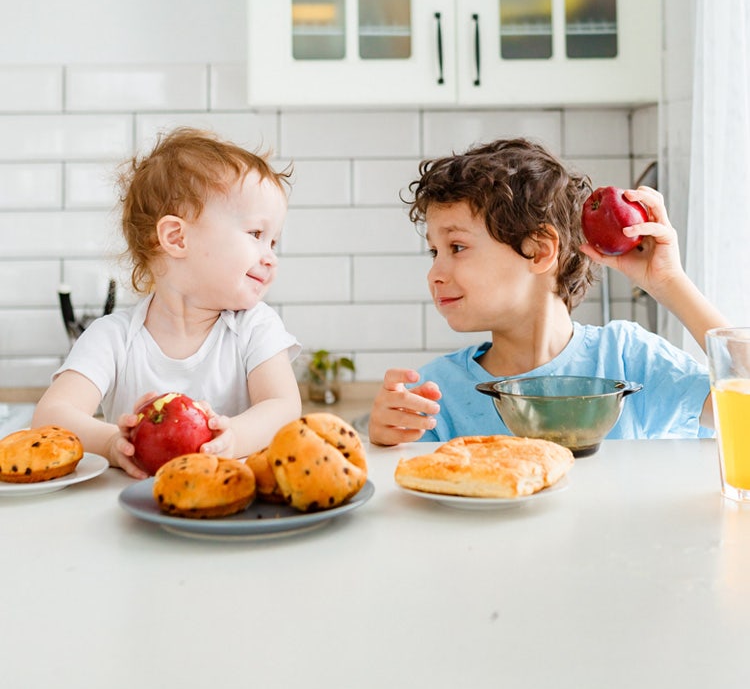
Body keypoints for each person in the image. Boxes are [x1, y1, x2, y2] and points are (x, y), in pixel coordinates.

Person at [368, 137, 729, 446]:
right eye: (434, 252)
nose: (435, 274)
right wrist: (385, 445)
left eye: (457, 248)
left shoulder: (629, 360)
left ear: (539, 251)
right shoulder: (434, 395)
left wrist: (669, 282)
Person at [33, 128, 302, 478]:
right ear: (176, 237)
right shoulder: (114, 337)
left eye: (274, 242)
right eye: (256, 235)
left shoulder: (255, 327)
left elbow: (283, 406)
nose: (270, 258)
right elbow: (50, 415)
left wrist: (234, 437)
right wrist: (114, 442)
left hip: (228, 506)